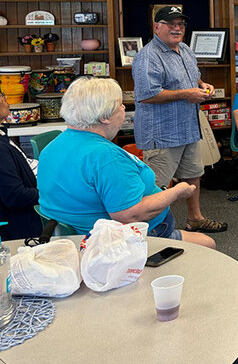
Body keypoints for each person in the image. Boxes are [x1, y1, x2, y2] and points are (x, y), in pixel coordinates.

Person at [37, 78, 214, 248]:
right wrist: (177, 191)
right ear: (104, 117)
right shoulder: (105, 157)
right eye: (119, 105)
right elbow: (131, 214)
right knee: (208, 244)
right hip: (119, 241)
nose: (124, 108)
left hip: (72, 237)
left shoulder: (53, 146)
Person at [132, 6, 226, 233]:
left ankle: (195, 218)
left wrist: (202, 85)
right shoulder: (147, 56)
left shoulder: (184, 49)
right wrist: (187, 93)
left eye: (180, 24)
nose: (177, 28)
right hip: (162, 133)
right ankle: (151, 230)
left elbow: (193, 76)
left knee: (194, 174)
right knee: (156, 186)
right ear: (157, 27)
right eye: (170, 24)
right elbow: (146, 95)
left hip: (187, 128)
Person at [0, 90, 41, 240]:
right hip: (18, 231)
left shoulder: (3, 136)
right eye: (1, 96)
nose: (5, 99)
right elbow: (14, 195)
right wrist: (49, 193)